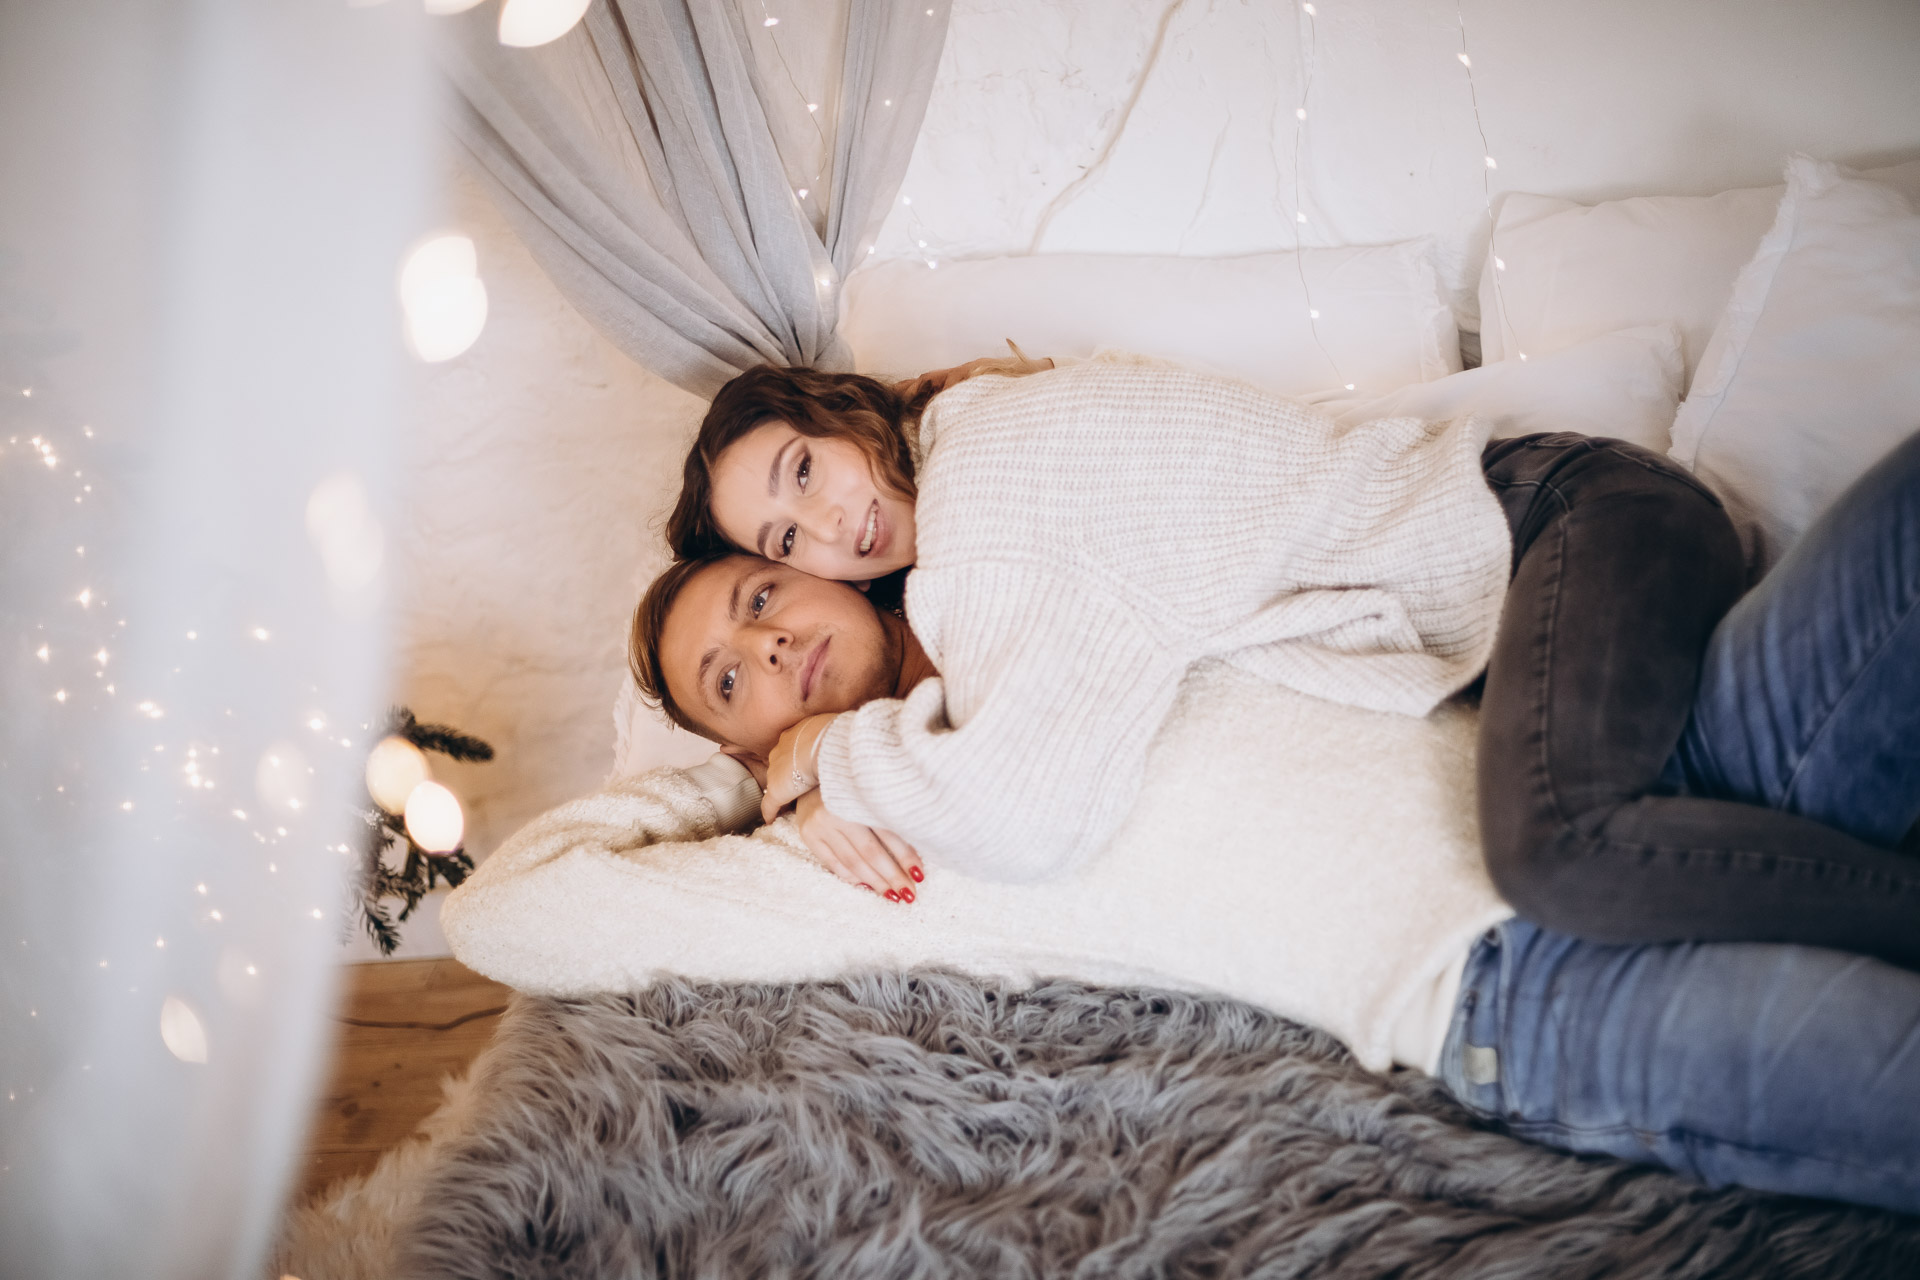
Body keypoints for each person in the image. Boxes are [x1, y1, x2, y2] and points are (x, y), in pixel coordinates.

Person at [623, 524, 1920, 1214]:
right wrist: (778, 772)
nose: (768, 642)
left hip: (1635, 758)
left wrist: (800, 736)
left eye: (759, 596)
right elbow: (539, 903)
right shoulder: (842, 846)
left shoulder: (1033, 564)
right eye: (726, 679)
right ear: (730, 742)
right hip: (1516, 985)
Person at [663, 356, 1920, 969]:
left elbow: (1025, 811)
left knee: (1563, 849)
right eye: (785, 538)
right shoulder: (968, 492)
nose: (826, 526)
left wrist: (830, 750)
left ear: (838, 413)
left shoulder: (985, 492)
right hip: (1566, 551)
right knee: (1747, 788)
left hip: (1561, 520)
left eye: (803, 470)